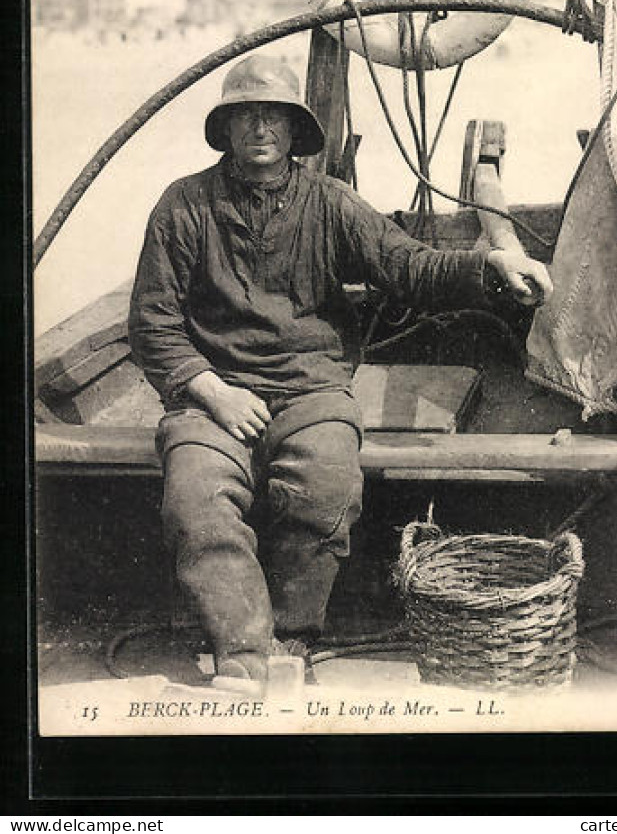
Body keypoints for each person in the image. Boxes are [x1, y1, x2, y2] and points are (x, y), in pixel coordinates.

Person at [128, 53, 552, 693]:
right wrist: (212, 392)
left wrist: (490, 265)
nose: (260, 129)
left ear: (296, 130)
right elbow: (152, 321)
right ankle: (242, 653)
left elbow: (408, 266)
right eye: (245, 116)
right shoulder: (183, 207)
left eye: (274, 116)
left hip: (311, 391)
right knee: (196, 498)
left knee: (325, 487)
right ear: (226, 129)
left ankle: (292, 637)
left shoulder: (330, 203)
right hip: (211, 395)